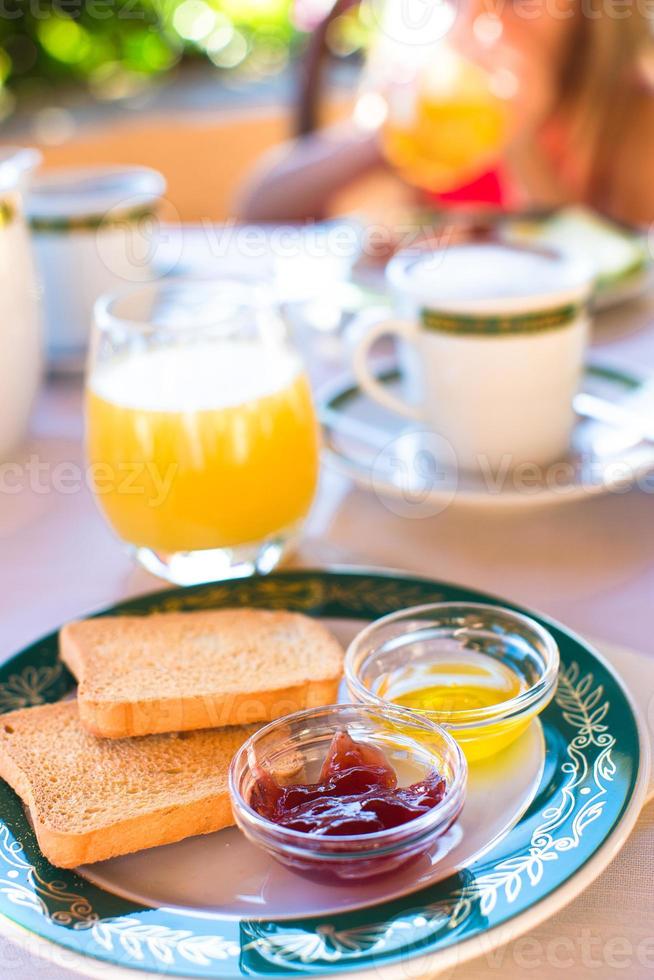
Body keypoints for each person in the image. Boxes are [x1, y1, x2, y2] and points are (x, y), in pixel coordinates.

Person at [236, 1, 654, 227]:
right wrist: (383, 137)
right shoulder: (442, 116)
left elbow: (612, 274)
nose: (481, 20)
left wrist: (522, 146)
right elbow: (259, 209)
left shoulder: (632, 115)